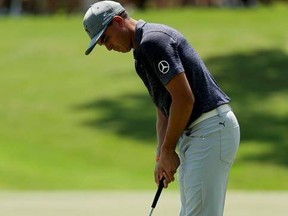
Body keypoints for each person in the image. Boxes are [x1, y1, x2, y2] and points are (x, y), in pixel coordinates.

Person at [82, 1, 240, 215]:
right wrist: (161, 155)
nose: (107, 47)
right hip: (198, 135)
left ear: (118, 21)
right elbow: (163, 107)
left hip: (210, 129)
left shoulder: (153, 41)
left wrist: (168, 149)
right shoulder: (140, 56)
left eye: (106, 39)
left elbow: (184, 99)